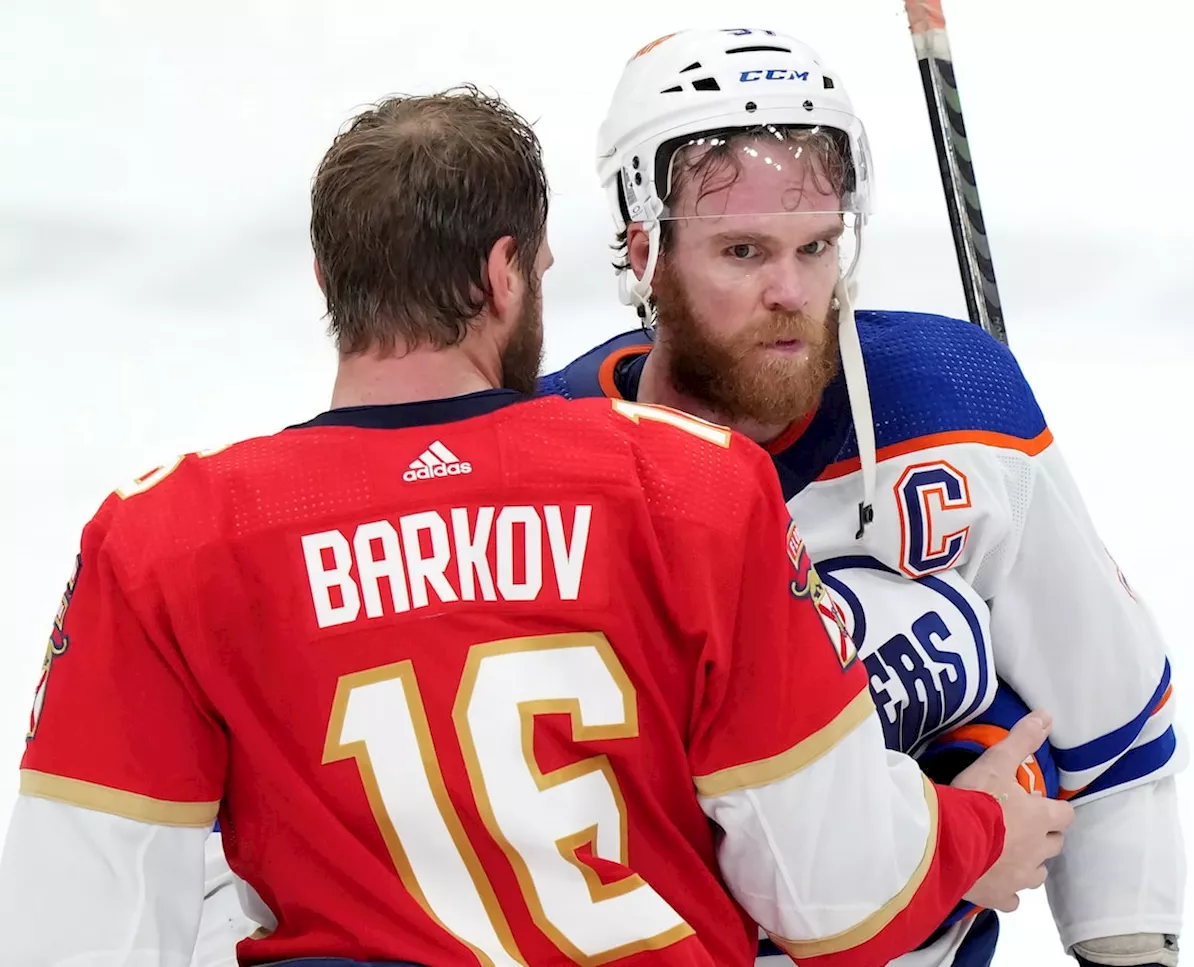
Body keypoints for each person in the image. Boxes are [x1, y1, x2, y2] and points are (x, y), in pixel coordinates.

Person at [0, 86, 1072, 967]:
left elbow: (76, 932)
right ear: (505, 272)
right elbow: (839, 899)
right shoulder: (692, 489)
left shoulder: (164, 541)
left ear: (327, 279)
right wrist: (978, 829)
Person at [539, 27, 1187, 967]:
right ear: (644, 250)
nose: (791, 291)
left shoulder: (955, 400)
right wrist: (950, 840)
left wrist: (1126, 948)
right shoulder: (549, 454)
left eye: (817, 246)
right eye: (744, 251)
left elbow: (1112, 721)